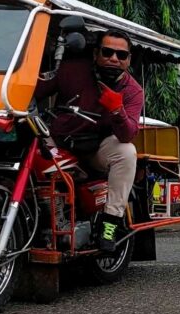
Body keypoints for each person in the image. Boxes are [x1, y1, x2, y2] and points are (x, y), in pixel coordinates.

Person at [33, 30, 144, 252]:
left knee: (127, 152)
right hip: (59, 140)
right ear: (96, 54)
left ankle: (110, 222)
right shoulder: (72, 70)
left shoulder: (132, 90)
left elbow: (127, 134)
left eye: (121, 55)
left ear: (128, 60)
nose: (114, 58)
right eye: (108, 52)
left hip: (96, 148)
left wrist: (117, 110)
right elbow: (35, 90)